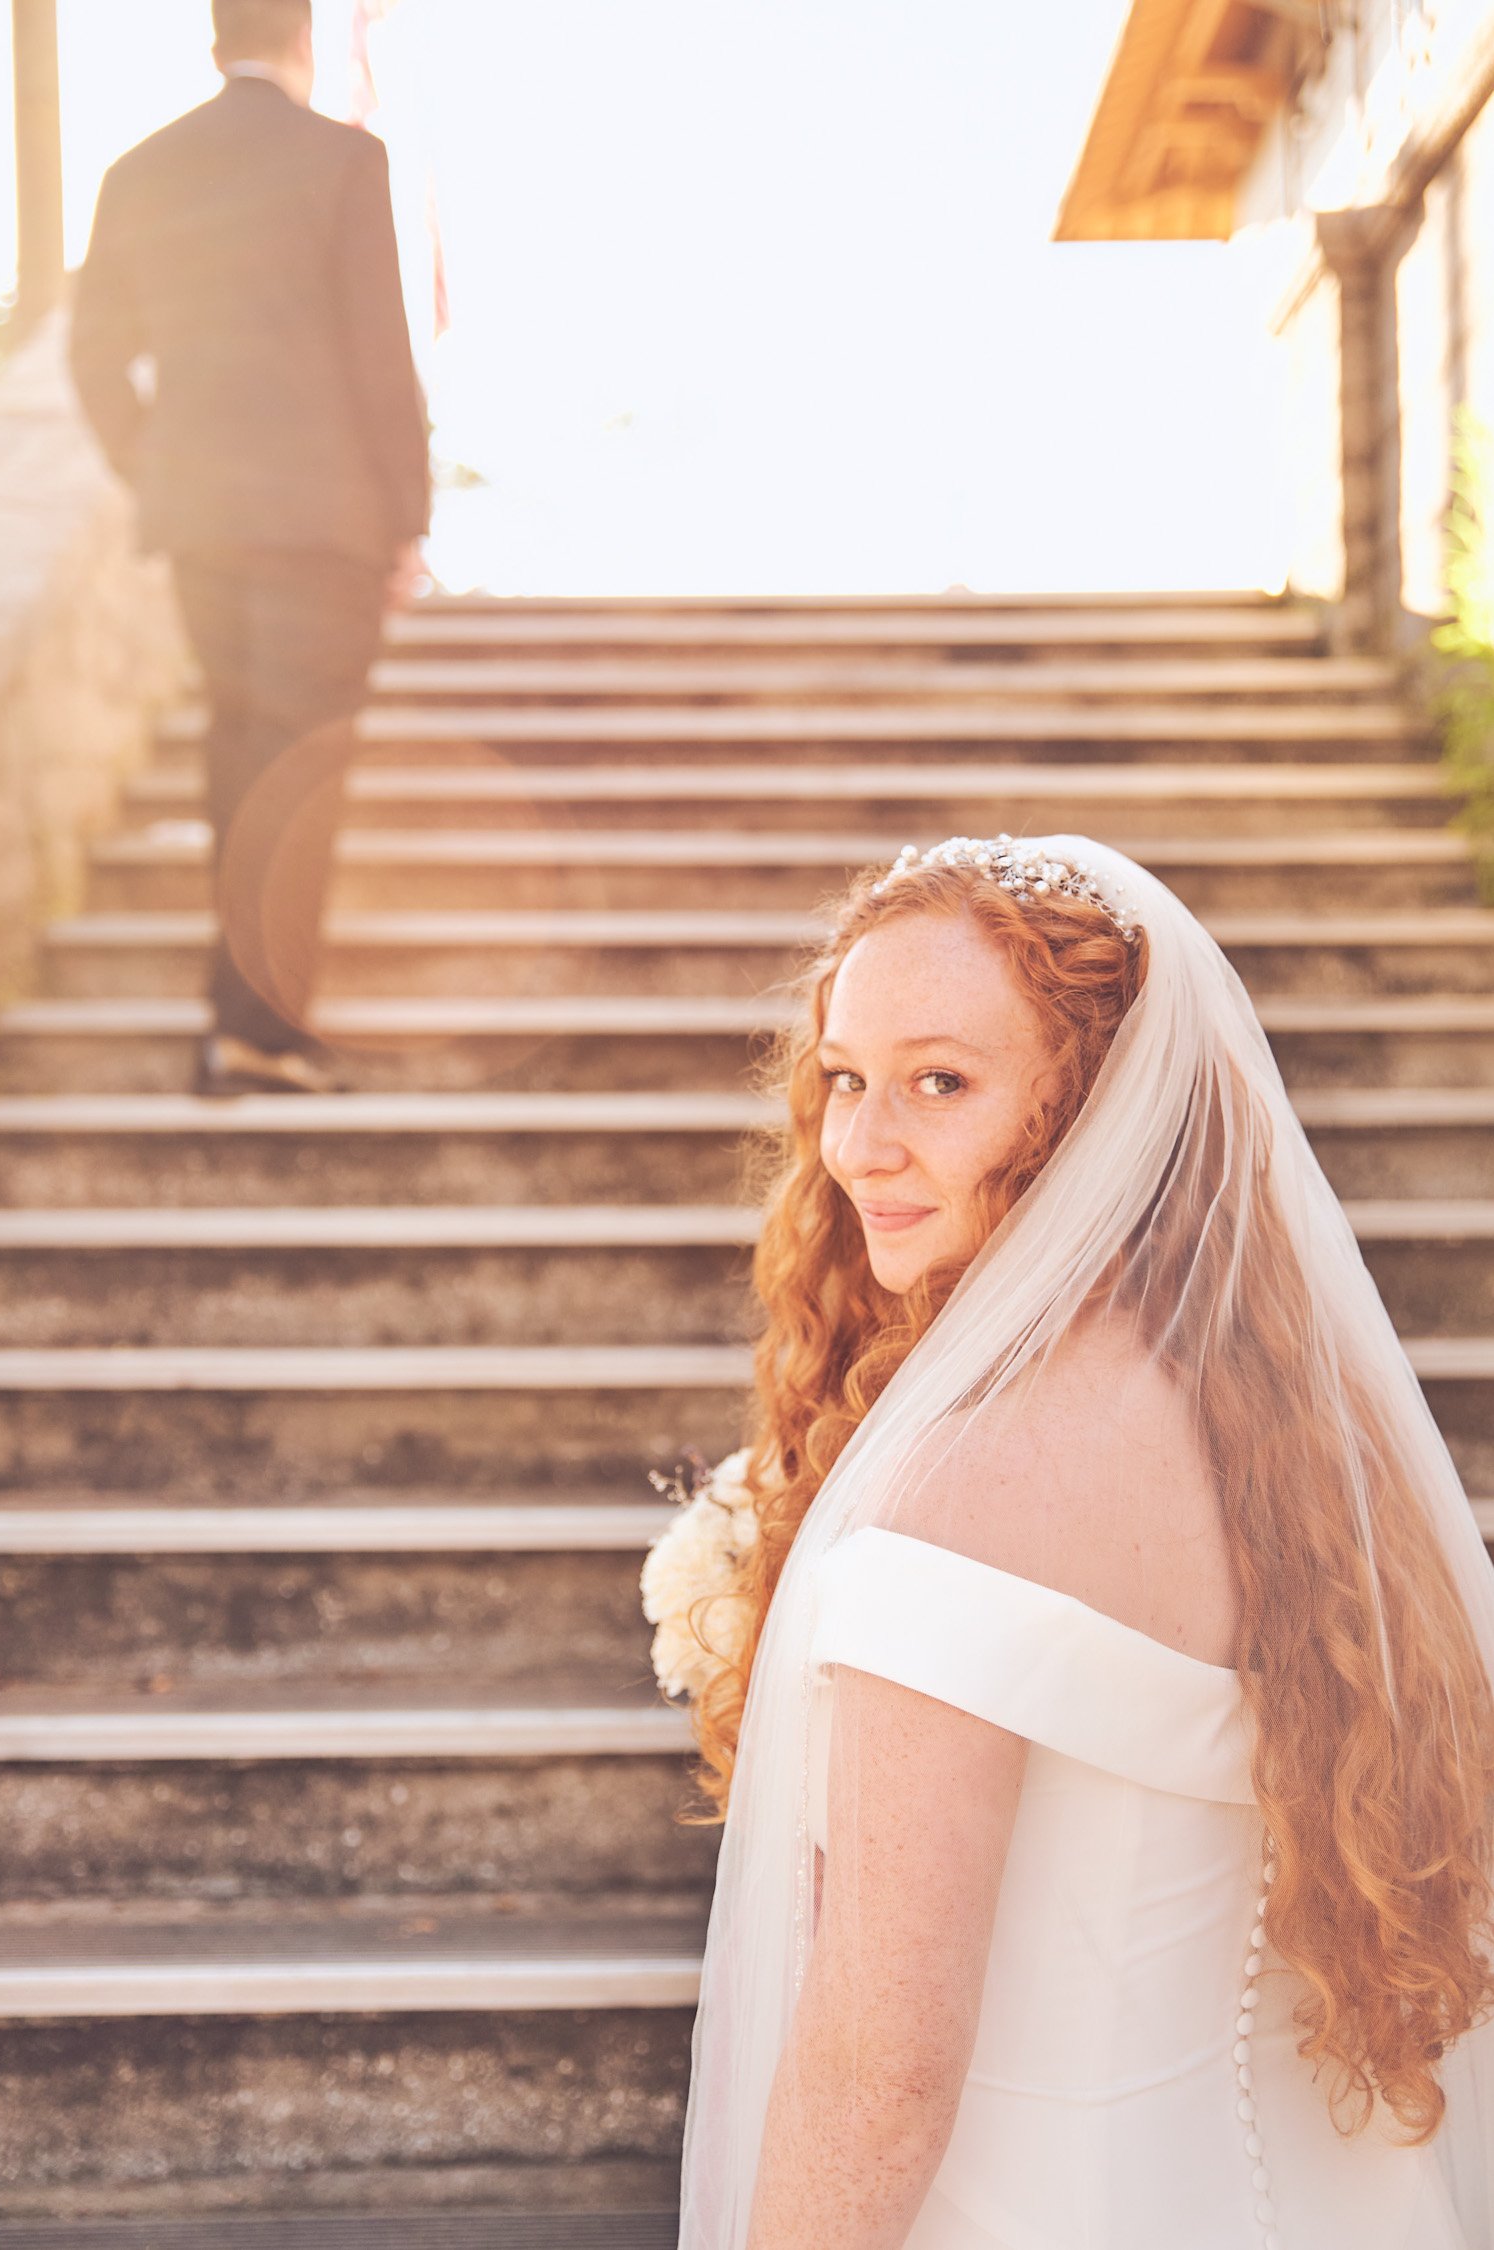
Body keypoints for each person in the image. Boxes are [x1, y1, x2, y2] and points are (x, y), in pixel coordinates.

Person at [670, 835, 1494, 2247]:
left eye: (941, 1079)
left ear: (1095, 1103)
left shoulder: (959, 1488)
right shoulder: (1293, 1442)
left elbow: (881, 2071)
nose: (859, 1144)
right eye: (846, 1078)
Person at [69, 0, 431, 1096]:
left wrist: (156, 472)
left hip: (202, 529)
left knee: (241, 752)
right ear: (303, 41)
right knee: (299, 764)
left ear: (214, 39)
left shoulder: (141, 168)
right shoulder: (343, 160)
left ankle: (235, 1018)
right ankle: (259, 1030)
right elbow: (379, 349)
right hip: (323, 528)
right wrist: (406, 519)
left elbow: (93, 357)